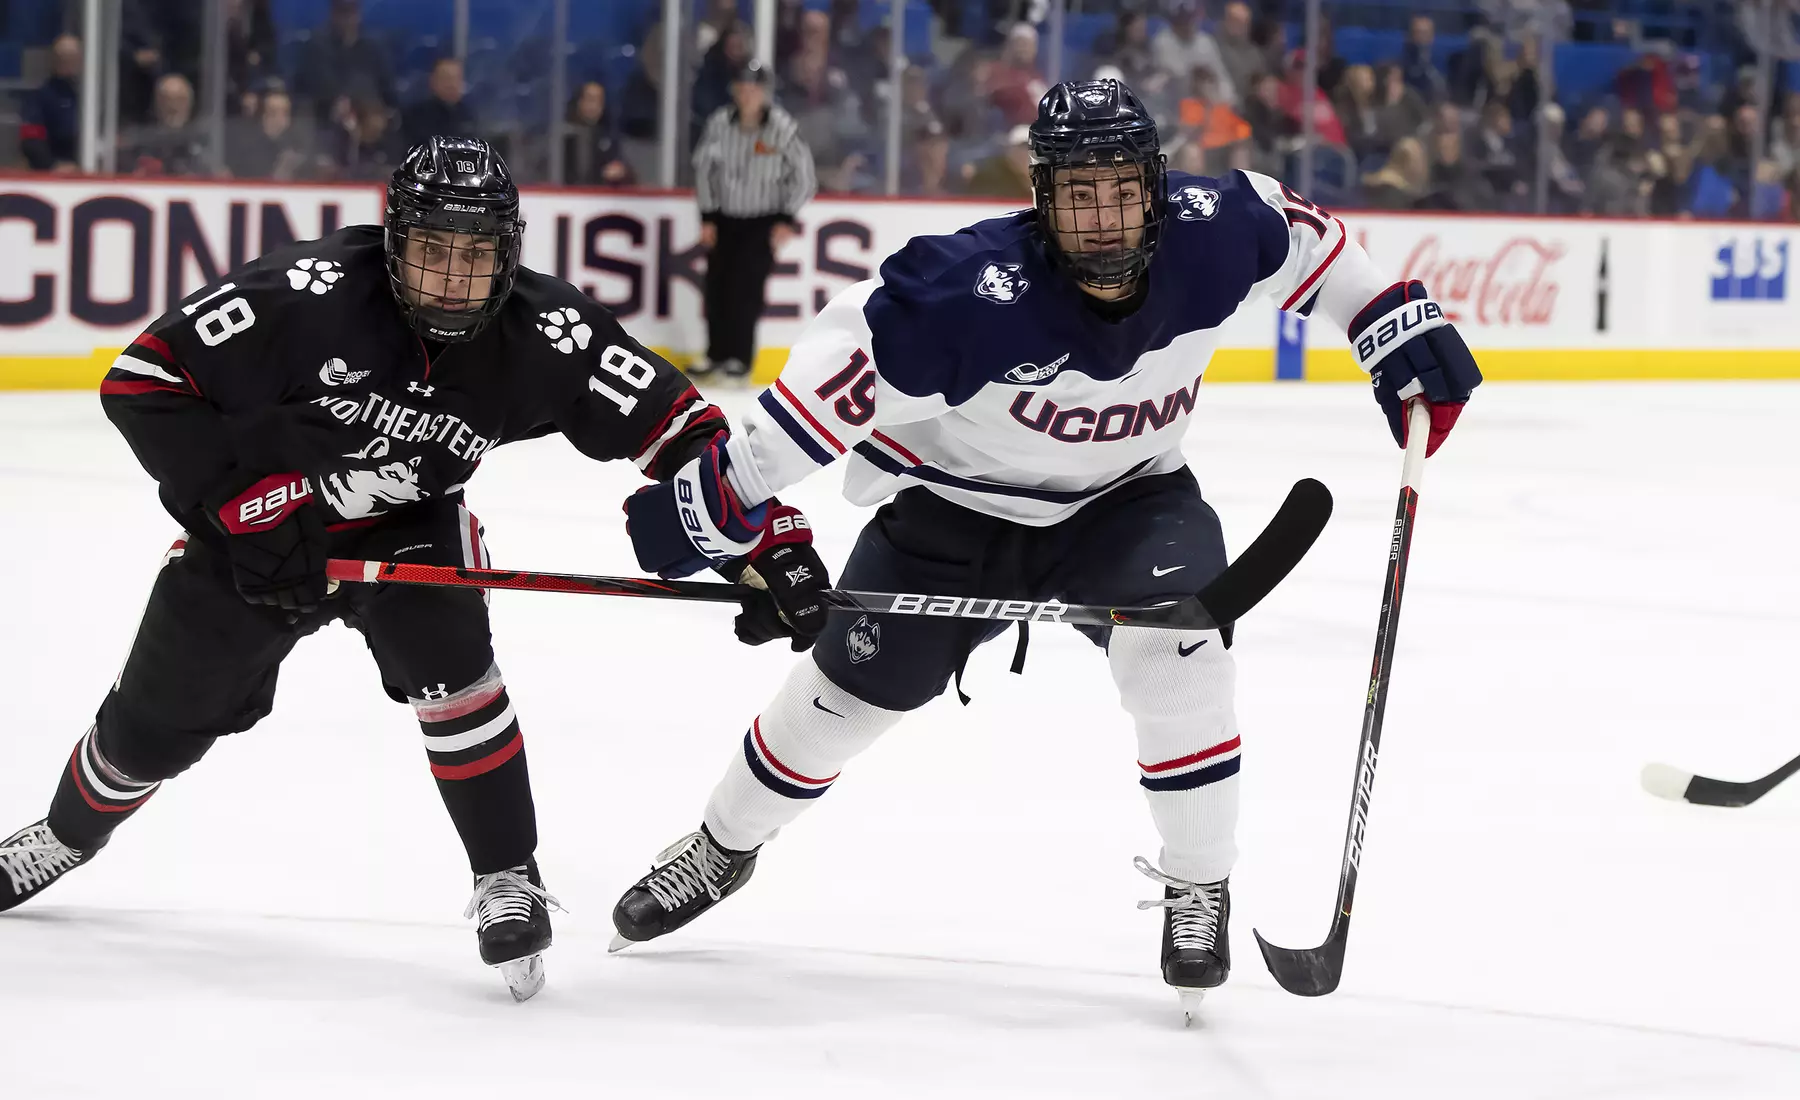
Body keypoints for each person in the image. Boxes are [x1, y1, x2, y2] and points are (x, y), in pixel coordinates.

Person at [606, 80, 1482, 1015]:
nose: (1102, 220)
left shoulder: (1217, 227)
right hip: (953, 515)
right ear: (1041, 196)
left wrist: (1392, 318)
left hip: (1131, 503)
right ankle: (720, 846)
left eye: (1119, 190)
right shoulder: (958, 297)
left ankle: (1198, 884)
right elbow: (811, 413)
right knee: (839, 704)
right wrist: (716, 500)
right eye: (1076, 194)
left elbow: (1320, 248)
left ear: (1153, 186)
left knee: (1179, 652)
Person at [0, 137, 831, 1002]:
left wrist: (765, 539)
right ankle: (65, 833)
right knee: (152, 724)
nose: (450, 280)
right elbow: (142, 379)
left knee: (457, 677)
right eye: (431, 252)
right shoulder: (305, 291)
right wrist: (248, 508)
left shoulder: (547, 331)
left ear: (510, 253)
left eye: (474, 257)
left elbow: (682, 428)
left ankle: (506, 875)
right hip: (255, 524)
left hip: (408, 528)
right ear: (392, 241)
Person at [691, 60, 816, 380]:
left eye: (753, 89)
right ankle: (715, 354)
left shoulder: (782, 128)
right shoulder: (720, 123)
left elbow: (803, 177)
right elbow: (705, 169)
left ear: (764, 92)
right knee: (717, 287)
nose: (747, 95)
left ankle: (739, 359)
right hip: (725, 219)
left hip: (762, 220)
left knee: (746, 289)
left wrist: (786, 217)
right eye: (742, 88)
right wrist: (707, 215)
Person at [19, 33, 81, 173]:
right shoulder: (41, 96)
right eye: (63, 57)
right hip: (55, 173)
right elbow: (31, 140)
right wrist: (53, 166)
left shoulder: (91, 95)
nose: (68, 62)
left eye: (73, 56)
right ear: (54, 59)